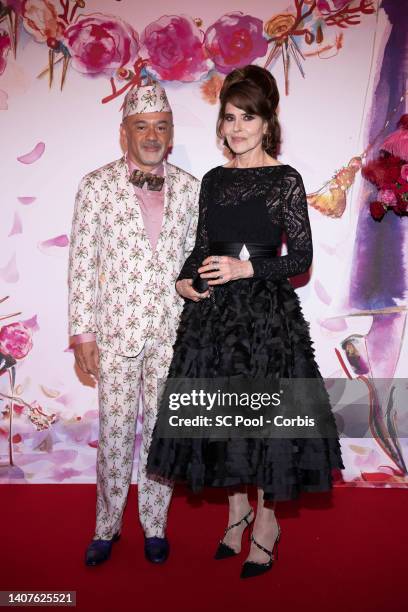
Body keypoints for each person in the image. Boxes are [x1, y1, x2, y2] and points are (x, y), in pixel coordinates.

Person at [146, 65, 344, 579]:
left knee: (268, 426)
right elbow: (200, 249)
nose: (236, 128)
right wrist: (185, 281)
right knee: (221, 421)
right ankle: (236, 515)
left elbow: (299, 257)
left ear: (267, 121)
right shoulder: (212, 181)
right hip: (213, 316)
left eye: (247, 117)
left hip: (265, 319)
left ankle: (268, 525)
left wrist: (247, 268)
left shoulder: (285, 179)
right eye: (229, 117)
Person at [68, 79, 200, 566]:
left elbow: (194, 261)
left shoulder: (191, 188)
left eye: (160, 126)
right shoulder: (96, 185)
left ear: (170, 132)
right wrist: (83, 333)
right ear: (124, 132)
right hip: (117, 334)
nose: (151, 135)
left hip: (172, 333)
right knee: (118, 432)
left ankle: (155, 526)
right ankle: (106, 527)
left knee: (162, 433)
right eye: (141, 126)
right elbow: (82, 262)